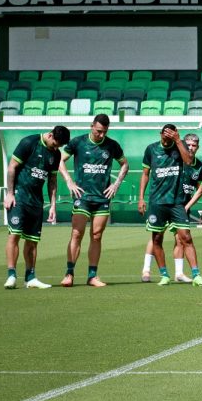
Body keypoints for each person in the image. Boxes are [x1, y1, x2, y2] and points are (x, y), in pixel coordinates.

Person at [58, 114, 128, 288]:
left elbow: (125, 164)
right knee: (77, 233)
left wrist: (116, 184)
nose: (101, 135)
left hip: (102, 198)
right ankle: (69, 273)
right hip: (82, 196)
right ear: (92, 126)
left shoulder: (112, 145)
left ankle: (92, 276)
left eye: (104, 132)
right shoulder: (78, 142)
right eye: (98, 131)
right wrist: (69, 181)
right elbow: (60, 160)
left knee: (96, 236)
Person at [138, 124, 202, 287]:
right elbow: (145, 174)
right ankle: (164, 275)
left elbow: (189, 161)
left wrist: (177, 140)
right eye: (165, 136)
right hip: (157, 202)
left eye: (170, 137)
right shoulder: (151, 149)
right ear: (160, 134)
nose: (167, 140)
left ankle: (196, 275)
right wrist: (141, 198)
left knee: (186, 237)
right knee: (157, 238)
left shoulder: (180, 146)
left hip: (177, 202)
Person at [3, 126, 70, 289]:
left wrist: (53, 205)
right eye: (55, 144)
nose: (56, 148)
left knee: (32, 241)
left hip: (36, 202)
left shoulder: (56, 154)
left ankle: (30, 278)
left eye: (59, 147)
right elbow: (12, 167)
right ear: (50, 135)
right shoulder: (28, 143)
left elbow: (52, 180)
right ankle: (11, 275)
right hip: (19, 197)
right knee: (14, 235)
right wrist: (10, 194)